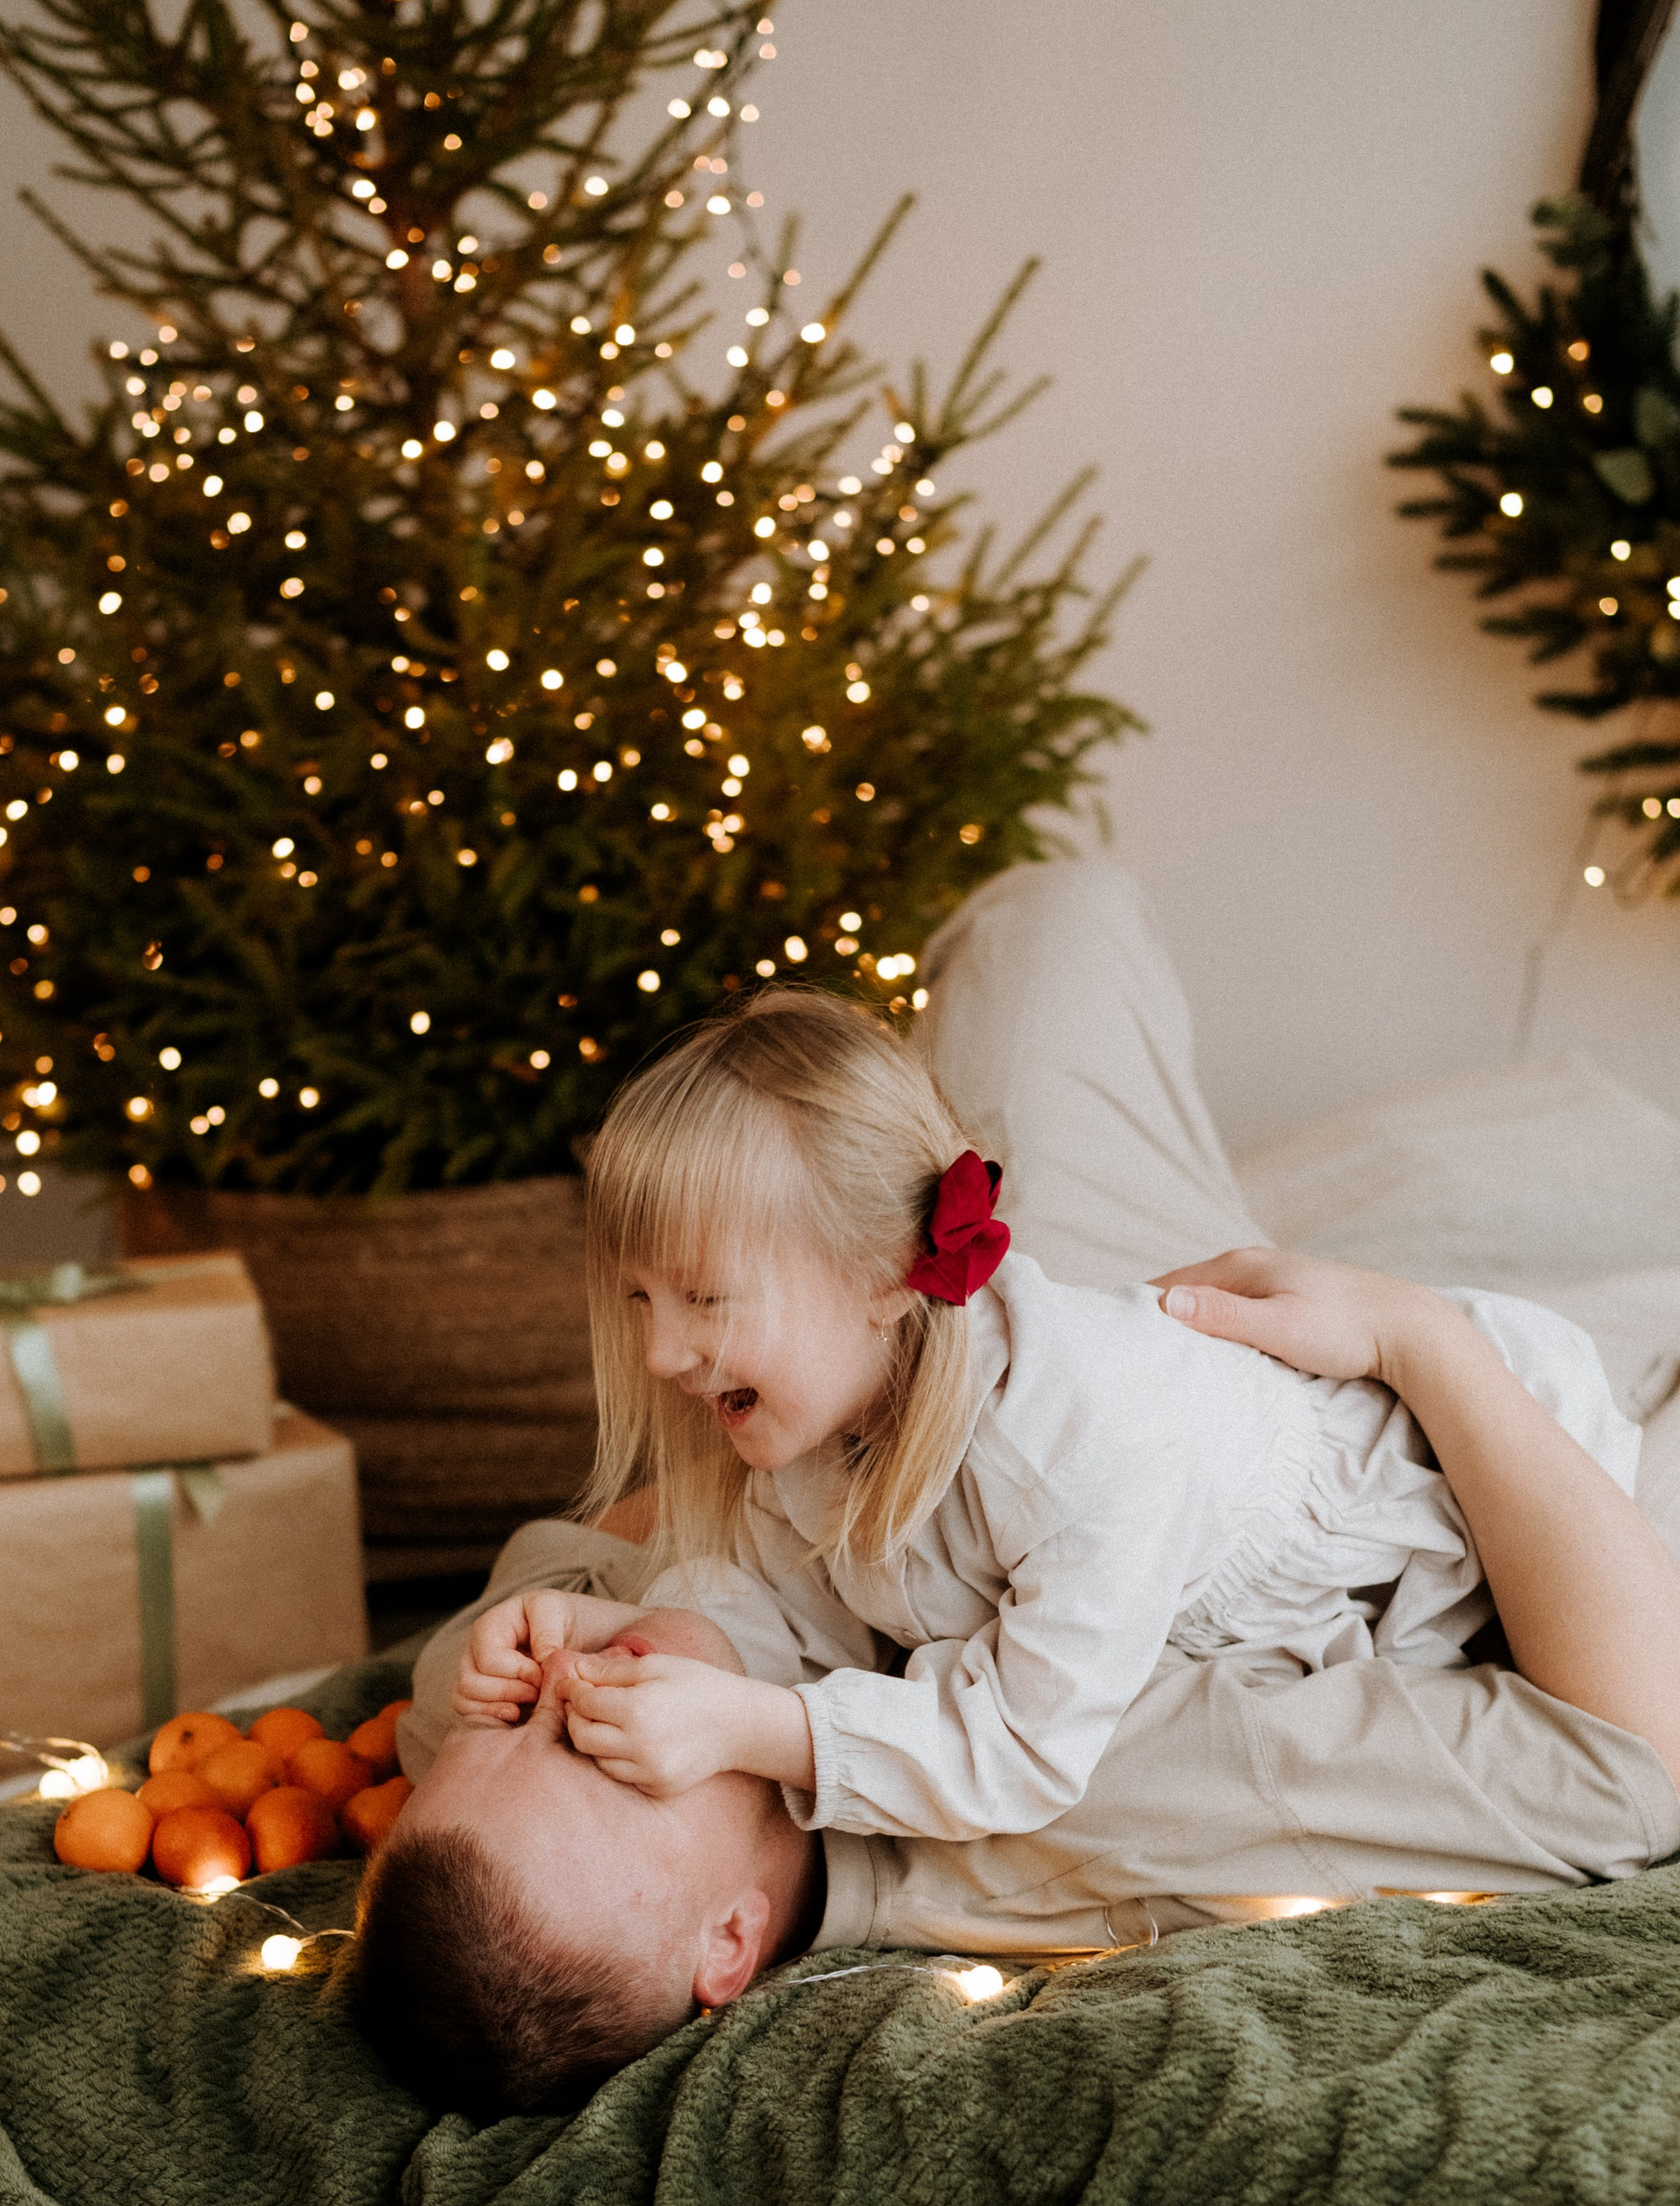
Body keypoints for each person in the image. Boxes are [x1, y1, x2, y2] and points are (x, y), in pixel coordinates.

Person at [355, 863, 1680, 2113]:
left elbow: (576, 1577)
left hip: (982, 1351)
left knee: (1046, 918)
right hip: (1445, 1442)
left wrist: (566, 1632)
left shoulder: (481, 1773)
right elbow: (1634, 1773)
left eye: (520, 1721)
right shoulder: (1132, 1800)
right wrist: (1412, 1336)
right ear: (731, 1948)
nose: (590, 1698)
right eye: (610, 1762)